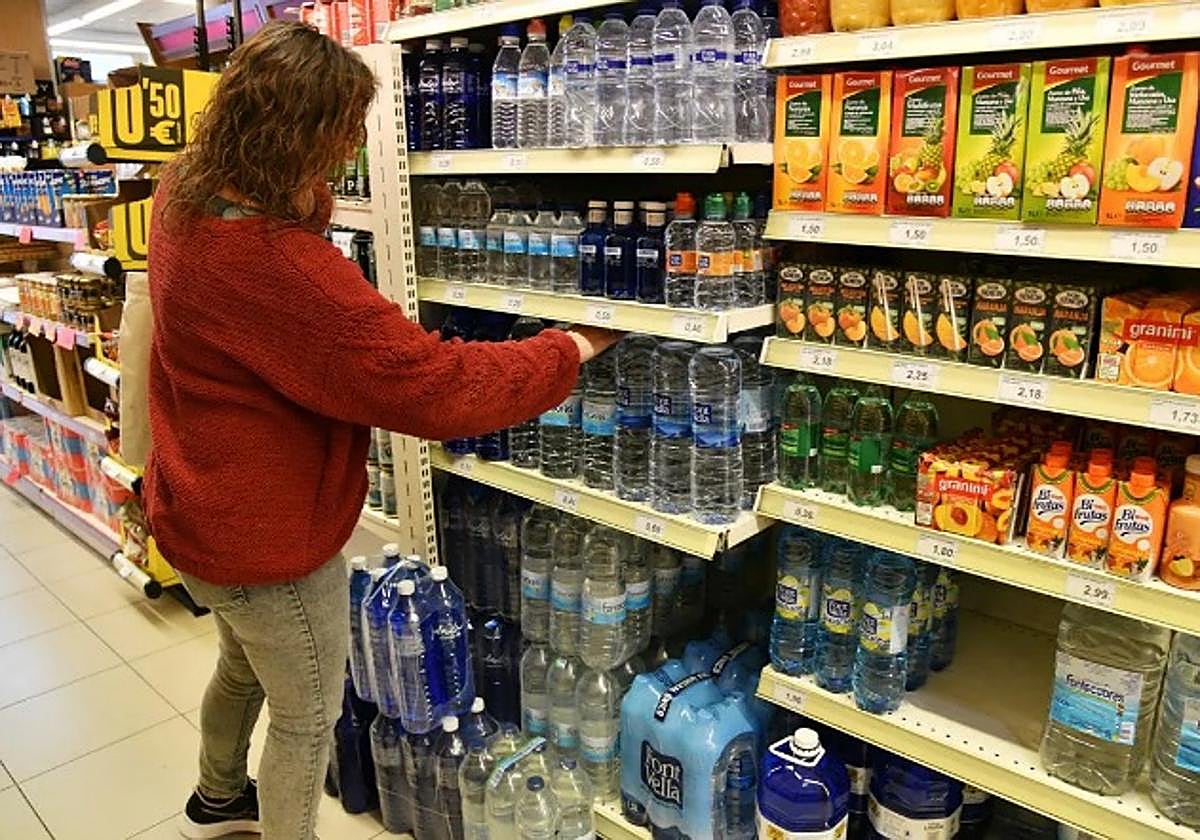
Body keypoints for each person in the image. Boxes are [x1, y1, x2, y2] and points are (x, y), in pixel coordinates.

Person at [147, 21, 617, 840]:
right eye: (340, 133)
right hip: (270, 543)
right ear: (313, 138)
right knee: (308, 715)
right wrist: (564, 350)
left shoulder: (183, 188)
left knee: (240, 665)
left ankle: (216, 795)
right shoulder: (283, 270)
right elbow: (431, 386)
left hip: (194, 507)